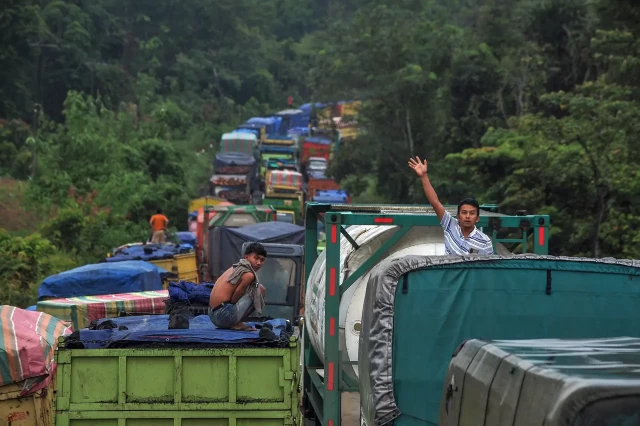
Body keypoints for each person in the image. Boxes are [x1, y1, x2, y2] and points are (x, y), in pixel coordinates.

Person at [408, 156, 494, 255]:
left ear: (477, 218)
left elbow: (489, 264)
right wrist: (424, 176)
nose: (467, 216)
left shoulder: (485, 242)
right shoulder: (450, 225)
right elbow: (435, 202)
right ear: (458, 216)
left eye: (472, 213)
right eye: (464, 212)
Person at [209, 243, 268, 331]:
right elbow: (235, 298)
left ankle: (235, 321)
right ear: (246, 257)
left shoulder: (235, 268)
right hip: (222, 316)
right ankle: (237, 323)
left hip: (212, 314)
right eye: (256, 258)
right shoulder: (249, 274)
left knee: (255, 287)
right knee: (261, 290)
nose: (259, 263)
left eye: (262, 260)